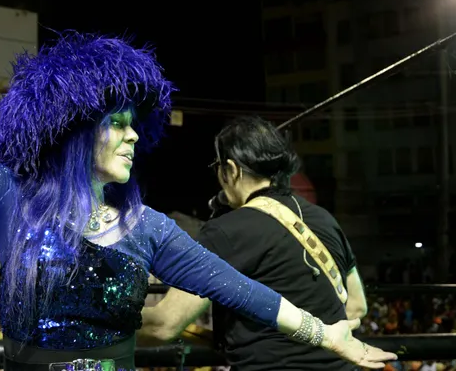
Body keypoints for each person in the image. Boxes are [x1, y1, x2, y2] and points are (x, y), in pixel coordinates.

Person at [0, 0, 396, 371]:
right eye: (116, 124)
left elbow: (238, 288)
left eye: (132, 126)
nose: (131, 138)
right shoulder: (10, 199)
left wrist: (327, 335)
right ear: (76, 131)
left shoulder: (151, 230)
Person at [139, 116, 371, 371]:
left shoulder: (225, 231)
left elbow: (164, 324)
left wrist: (99, 322)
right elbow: (357, 306)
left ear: (231, 169)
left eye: (217, 166)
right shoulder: (325, 219)